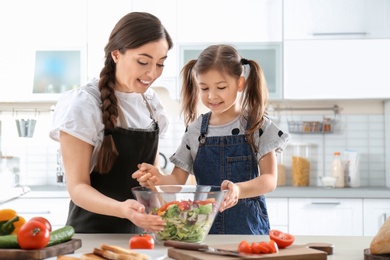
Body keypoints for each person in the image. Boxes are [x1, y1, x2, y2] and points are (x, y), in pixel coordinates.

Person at [133, 44, 290, 235]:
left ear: (240, 83)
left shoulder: (257, 126)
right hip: (203, 232)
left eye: (221, 87)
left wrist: (238, 190)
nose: (212, 96)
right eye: (204, 88)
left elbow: (269, 180)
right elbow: (176, 180)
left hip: (249, 231)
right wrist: (157, 178)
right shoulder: (195, 130)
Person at [49, 12, 173, 233]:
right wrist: (122, 209)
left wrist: (154, 181)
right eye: (143, 61)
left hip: (140, 237)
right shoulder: (83, 104)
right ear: (116, 54)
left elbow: (153, 174)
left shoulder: (151, 103)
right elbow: (77, 188)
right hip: (90, 235)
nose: (152, 73)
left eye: (160, 64)